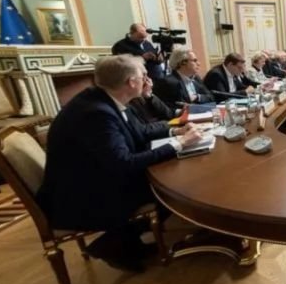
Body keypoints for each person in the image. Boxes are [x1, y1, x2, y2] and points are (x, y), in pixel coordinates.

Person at [37, 55, 202, 272]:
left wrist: (176, 131)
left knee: (172, 179)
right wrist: (179, 144)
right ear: (131, 82)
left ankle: (127, 241)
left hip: (95, 176)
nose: (148, 80)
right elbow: (124, 163)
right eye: (144, 75)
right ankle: (112, 244)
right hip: (84, 196)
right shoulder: (96, 114)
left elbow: (141, 131)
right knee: (171, 190)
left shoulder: (107, 98)